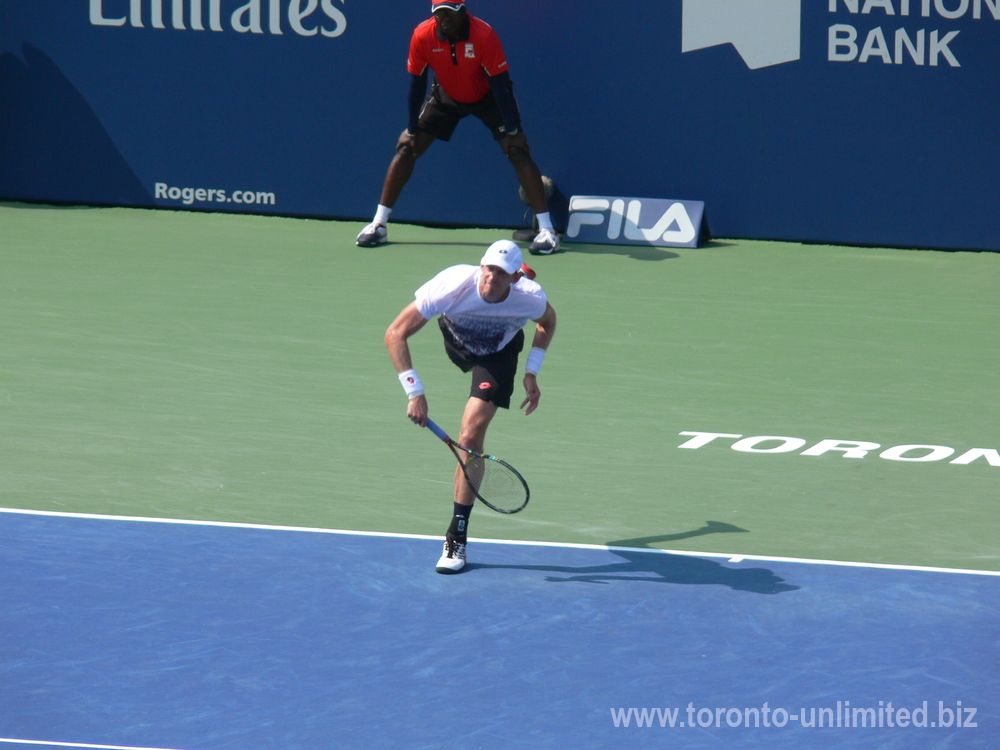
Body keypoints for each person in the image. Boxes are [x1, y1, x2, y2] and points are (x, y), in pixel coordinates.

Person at [385, 239, 557, 573]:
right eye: (489, 269)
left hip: (498, 354)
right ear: (481, 266)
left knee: (470, 434)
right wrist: (414, 392)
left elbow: (548, 323)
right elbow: (395, 333)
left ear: (515, 278)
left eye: (502, 273)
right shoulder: (450, 286)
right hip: (456, 339)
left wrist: (531, 371)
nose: (492, 278)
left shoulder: (530, 297)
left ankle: (456, 536)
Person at [357, 0, 560, 256]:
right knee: (407, 148)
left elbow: (500, 85)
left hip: (488, 97)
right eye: (439, 13)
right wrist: (410, 128)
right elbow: (416, 85)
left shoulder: (484, 34)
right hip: (445, 96)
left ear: (463, 12)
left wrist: (512, 130)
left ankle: (547, 231)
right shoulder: (423, 35)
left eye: (450, 13)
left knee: (517, 151)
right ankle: (378, 224)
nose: (444, 19)